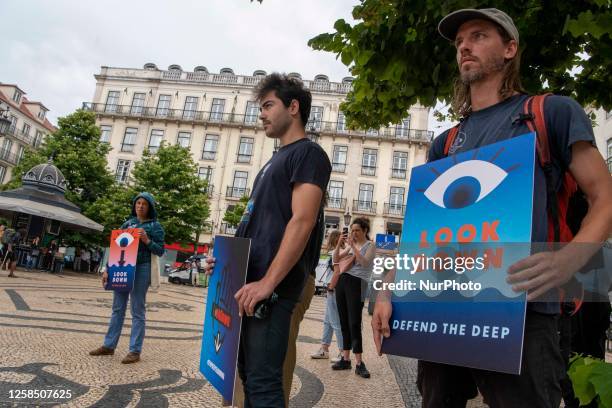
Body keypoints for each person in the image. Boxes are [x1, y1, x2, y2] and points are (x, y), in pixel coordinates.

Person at [372, 8, 612, 407]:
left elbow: (604, 196)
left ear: (509, 49)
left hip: (526, 311)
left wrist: (570, 260)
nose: (465, 45)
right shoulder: (445, 142)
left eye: (479, 35)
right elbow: (421, 234)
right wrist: (386, 291)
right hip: (442, 310)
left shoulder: (549, 113)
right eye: (459, 41)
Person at [205, 73, 331, 407]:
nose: (261, 114)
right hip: (248, 287)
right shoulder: (272, 161)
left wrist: (268, 283)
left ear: (293, 107)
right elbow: (257, 224)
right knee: (248, 376)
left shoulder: (309, 154)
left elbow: (301, 222)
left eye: (268, 105)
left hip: (273, 292)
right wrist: (224, 266)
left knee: (264, 385)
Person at [89, 192, 165, 364]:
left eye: (144, 204)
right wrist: (107, 269)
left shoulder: (156, 227)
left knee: (137, 309)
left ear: (150, 207)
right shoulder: (127, 223)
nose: (140, 206)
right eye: (138, 203)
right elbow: (116, 247)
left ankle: (135, 351)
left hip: (142, 268)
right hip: (122, 266)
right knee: (117, 308)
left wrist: (147, 240)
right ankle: (109, 346)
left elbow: (160, 251)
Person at [331, 218, 375, 378]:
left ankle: (359, 362)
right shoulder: (351, 244)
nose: (354, 233)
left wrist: (354, 249)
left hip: (358, 283)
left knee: (354, 322)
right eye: (352, 230)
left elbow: (364, 262)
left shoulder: (370, 245)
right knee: (344, 321)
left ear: (365, 230)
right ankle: (346, 359)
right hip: (343, 281)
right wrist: (339, 245)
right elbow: (335, 260)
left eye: (357, 230)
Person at [310, 229, 344, 363]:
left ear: (333, 239)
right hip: (332, 288)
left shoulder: (337, 253)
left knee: (335, 321)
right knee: (328, 321)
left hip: (333, 288)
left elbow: (337, 272)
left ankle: (342, 352)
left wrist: (331, 286)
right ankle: (324, 348)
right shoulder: (339, 252)